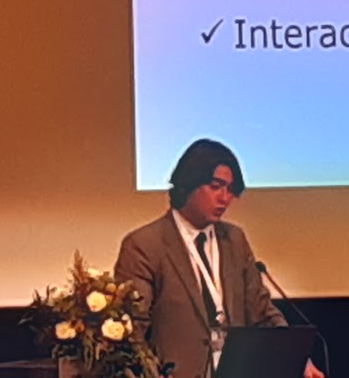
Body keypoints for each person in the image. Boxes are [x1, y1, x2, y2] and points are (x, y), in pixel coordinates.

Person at [115, 139, 322, 378]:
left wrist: (297, 359)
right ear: (189, 183)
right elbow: (134, 331)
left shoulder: (234, 240)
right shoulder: (145, 245)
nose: (225, 198)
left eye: (230, 190)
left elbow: (261, 311)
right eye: (216, 187)